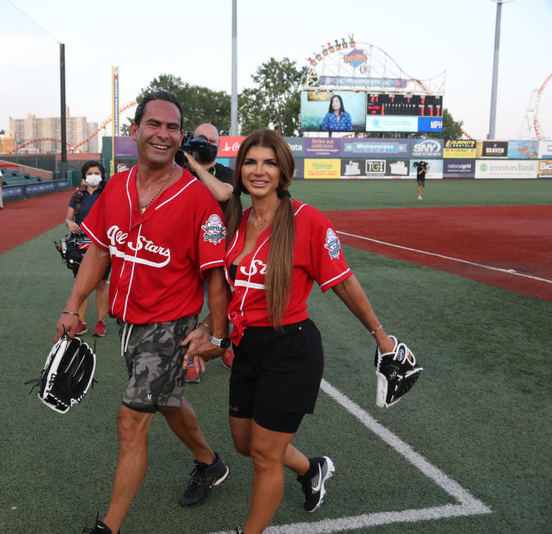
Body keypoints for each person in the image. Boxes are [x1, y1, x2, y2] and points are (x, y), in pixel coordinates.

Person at [185, 129, 398, 534]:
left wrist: (382, 339)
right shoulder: (238, 221)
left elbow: (344, 282)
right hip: (247, 348)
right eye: (250, 162)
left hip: (291, 348)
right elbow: (231, 293)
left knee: (265, 455)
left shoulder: (308, 221)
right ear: (239, 169)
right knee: (245, 445)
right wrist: (210, 330)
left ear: (284, 172)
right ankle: (312, 468)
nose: (258, 171)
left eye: (269, 163)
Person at [57, 91, 231, 534]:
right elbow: (99, 250)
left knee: (130, 420)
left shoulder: (197, 200)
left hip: (170, 323)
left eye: (173, 127)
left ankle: (108, 528)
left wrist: (215, 330)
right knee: (169, 402)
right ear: (134, 130)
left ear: (180, 137)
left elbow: (215, 277)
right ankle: (210, 463)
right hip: (128, 323)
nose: (164, 134)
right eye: (154, 124)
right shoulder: (115, 187)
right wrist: (73, 305)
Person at [181, 122, 237, 379]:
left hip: (218, 254)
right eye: (201, 139)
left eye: (212, 141)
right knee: (187, 308)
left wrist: (195, 167)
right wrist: (185, 161)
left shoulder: (225, 172)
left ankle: (225, 342)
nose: (207, 144)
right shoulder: (177, 169)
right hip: (184, 253)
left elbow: (223, 194)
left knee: (226, 302)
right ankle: (190, 356)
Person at [63, 160, 110, 337]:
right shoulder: (77, 196)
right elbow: (68, 218)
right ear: (84, 176)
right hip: (80, 244)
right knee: (81, 285)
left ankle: (101, 322)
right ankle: (81, 322)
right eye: (89, 173)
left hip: (102, 245)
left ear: (102, 175)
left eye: (96, 173)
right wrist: (70, 223)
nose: (93, 176)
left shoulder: (107, 193)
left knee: (100, 285)